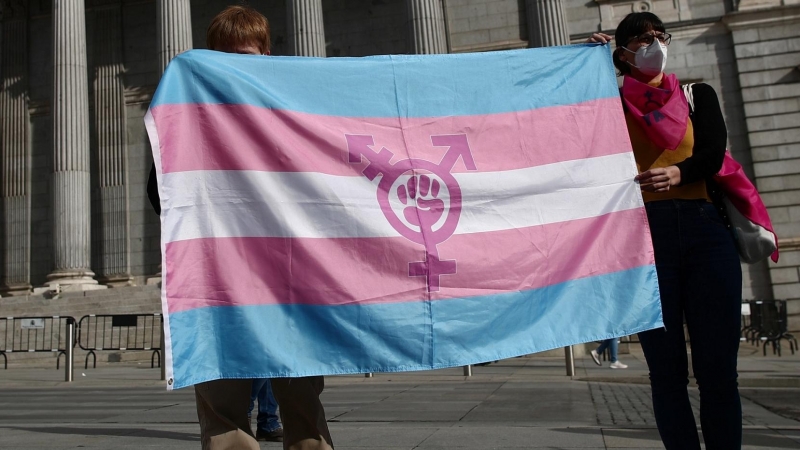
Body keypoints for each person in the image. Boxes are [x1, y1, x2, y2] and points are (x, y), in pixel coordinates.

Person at [148, 6, 334, 450]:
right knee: (223, 406)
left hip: (289, 277)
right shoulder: (183, 111)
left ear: (266, 54)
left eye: (246, 54)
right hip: (220, 276)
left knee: (303, 404)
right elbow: (164, 190)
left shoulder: (295, 108)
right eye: (226, 55)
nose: (237, 64)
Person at [589, 12, 743, 450]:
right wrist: (590, 67)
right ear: (623, 54)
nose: (654, 43)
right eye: (641, 38)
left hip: (706, 231)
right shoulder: (609, 103)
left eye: (660, 35)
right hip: (644, 238)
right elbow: (569, 128)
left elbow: (713, 154)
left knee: (718, 371)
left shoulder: (697, 94)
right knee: (667, 372)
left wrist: (679, 173)